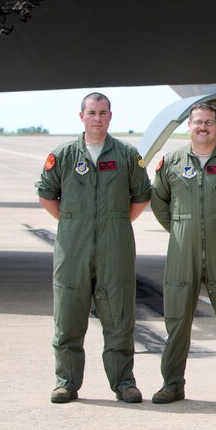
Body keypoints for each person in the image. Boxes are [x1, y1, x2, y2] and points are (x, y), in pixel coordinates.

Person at [36, 92, 151, 404]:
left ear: (110, 117)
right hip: (73, 248)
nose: (97, 118)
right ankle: (66, 383)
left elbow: (141, 196)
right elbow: (46, 193)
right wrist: (75, 222)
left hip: (115, 247)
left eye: (102, 112)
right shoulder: (63, 155)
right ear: (82, 116)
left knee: (120, 317)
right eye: (92, 112)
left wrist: (114, 222)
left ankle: (124, 383)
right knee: (68, 317)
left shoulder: (128, 155)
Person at [149, 103, 216, 405]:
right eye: (198, 122)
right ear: (189, 125)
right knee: (177, 317)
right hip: (183, 251)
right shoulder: (171, 161)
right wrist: (181, 228)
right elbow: (159, 201)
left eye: (209, 123)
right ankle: (172, 383)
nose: (203, 128)